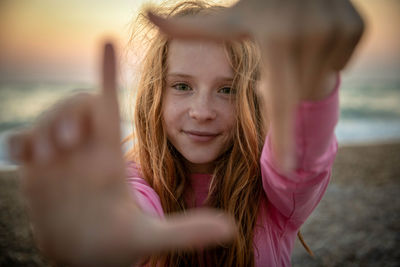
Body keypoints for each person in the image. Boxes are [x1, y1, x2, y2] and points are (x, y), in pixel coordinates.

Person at [8, 0, 365, 266]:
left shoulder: (275, 196)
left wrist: (312, 80)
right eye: (182, 86)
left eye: (226, 90)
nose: (202, 111)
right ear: (154, 95)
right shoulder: (137, 183)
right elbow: (131, 207)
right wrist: (98, 224)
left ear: (251, 99)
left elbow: (300, 158)